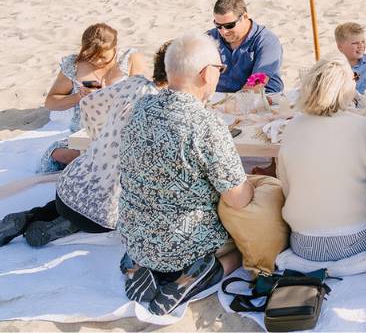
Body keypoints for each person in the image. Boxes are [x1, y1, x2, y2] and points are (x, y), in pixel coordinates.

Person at [118, 33, 253, 315]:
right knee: (243, 251)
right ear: (206, 74)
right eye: (220, 69)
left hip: (136, 236)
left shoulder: (139, 108)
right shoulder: (205, 124)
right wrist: (255, 183)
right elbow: (238, 198)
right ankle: (198, 275)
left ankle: (140, 265)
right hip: (187, 242)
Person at [0, 43, 169, 248]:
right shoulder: (164, 109)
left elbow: (90, 103)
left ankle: (28, 217)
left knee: (75, 200)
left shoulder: (134, 84)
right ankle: (68, 226)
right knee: (107, 205)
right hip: (101, 214)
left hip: (69, 186)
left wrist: (100, 136)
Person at [277, 57, 366, 262]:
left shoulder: (292, 127)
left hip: (304, 243)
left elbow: (287, 186)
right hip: (358, 238)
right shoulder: (365, 127)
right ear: (346, 88)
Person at [41, 23, 145, 171]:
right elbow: (51, 103)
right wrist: (78, 96)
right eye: (90, 56)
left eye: (103, 57)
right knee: (58, 154)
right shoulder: (73, 65)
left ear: (115, 49)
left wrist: (117, 95)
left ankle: (98, 158)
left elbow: (144, 93)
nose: (97, 61)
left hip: (122, 125)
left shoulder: (130, 58)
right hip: (86, 131)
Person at [206, 0, 283, 94]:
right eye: (218, 26)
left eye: (229, 25)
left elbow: (258, 81)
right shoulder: (209, 38)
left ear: (245, 17)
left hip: (261, 99)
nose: (224, 32)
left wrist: (234, 102)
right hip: (218, 100)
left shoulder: (267, 41)